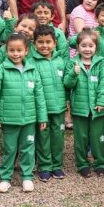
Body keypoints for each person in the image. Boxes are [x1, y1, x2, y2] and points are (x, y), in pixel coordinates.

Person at [0, 33, 47, 193]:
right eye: (11, 50)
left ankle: (27, 176)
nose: (15, 54)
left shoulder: (32, 70)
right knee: (9, 149)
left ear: (26, 51)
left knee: (28, 148)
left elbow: (39, 95)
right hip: (9, 119)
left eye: (19, 50)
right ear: (6, 51)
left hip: (29, 119)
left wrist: (42, 116)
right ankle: (5, 178)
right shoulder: (0, 70)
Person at [65, 29, 104, 178]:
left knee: (99, 138)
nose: (87, 49)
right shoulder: (72, 63)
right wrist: (74, 73)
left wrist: (102, 101)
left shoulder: (101, 62)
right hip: (80, 108)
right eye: (83, 45)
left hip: (98, 109)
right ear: (77, 47)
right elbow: (68, 84)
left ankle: (100, 163)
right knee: (81, 138)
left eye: (91, 46)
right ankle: (82, 164)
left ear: (96, 47)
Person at [30, 25, 69, 182]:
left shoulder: (61, 61)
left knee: (58, 138)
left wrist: (67, 103)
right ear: (34, 44)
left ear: (54, 42)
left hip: (58, 107)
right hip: (41, 109)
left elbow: (67, 83)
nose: (44, 45)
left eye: (48, 42)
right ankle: (45, 166)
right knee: (43, 138)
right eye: (40, 42)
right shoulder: (30, 62)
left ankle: (57, 165)